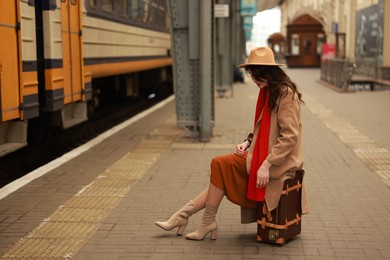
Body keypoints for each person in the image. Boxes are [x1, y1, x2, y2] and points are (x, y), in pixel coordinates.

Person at [155, 46, 307, 241]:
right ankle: (192, 219)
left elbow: (289, 137)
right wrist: (247, 142)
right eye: (251, 75)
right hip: (262, 156)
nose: (252, 80)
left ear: (267, 73)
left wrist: (266, 164)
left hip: (279, 163)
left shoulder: (285, 94)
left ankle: (188, 218)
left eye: (255, 76)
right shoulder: (269, 90)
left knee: (220, 165)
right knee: (221, 169)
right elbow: (264, 129)